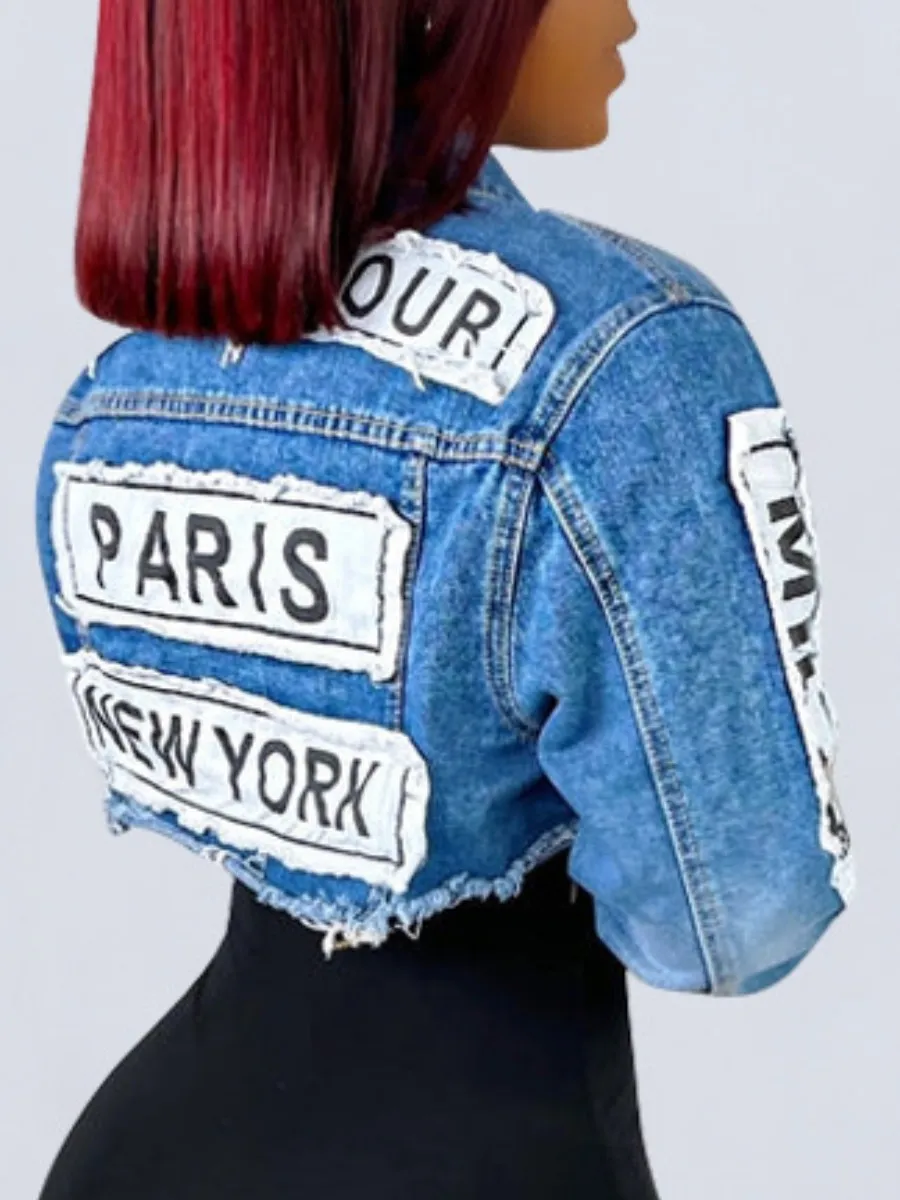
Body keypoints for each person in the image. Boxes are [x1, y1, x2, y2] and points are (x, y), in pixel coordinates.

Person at [35, 1, 854, 1197]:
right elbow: (741, 919)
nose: (628, 7)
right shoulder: (626, 357)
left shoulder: (121, 385)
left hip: (142, 1156)